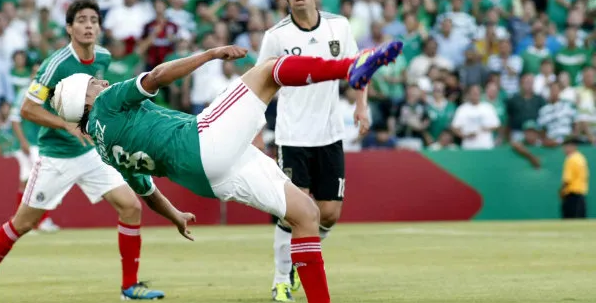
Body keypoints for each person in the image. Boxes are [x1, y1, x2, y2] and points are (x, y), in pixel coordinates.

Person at [53, 40, 403, 303]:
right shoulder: (107, 101)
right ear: (84, 100)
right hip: (202, 143)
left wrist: (175, 215)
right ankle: (349, 66)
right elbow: (158, 76)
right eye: (91, 84)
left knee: (306, 214)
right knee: (267, 70)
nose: (99, 82)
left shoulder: (103, 149)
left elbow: (146, 192)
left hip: (208, 178)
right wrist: (208, 55)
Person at [0, 0, 164, 302]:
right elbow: (27, 109)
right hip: (56, 156)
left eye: (94, 20)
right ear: (69, 28)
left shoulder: (103, 56)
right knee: (23, 223)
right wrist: (66, 125)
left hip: (90, 153)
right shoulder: (56, 64)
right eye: (82, 20)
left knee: (131, 207)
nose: (89, 25)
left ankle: (129, 287)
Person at [256, 0, 369, 302]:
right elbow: (260, 83)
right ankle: (281, 278)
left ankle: (299, 261)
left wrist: (361, 106)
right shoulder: (276, 36)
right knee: (296, 212)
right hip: (292, 136)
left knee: (329, 215)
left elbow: (358, 69)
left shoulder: (339, 26)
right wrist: (256, 130)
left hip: (330, 134)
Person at [8, 62, 59, 233]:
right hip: (29, 144)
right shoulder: (24, 92)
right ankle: (40, 220)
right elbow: (14, 119)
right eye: (36, 72)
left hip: (39, 142)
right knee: (39, 180)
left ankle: (23, 221)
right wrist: (23, 141)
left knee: (27, 180)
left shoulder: (49, 93)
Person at [561, 137, 589, 219]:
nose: (564, 149)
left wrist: (561, 190)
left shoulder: (571, 159)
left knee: (570, 219)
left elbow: (567, 179)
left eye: (566, 146)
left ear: (573, 147)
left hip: (572, 193)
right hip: (581, 192)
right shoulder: (581, 157)